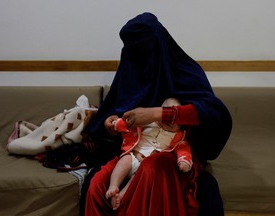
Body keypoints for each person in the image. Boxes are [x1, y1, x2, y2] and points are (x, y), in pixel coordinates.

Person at [83, 12, 232, 216]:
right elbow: (110, 115)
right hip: (130, 151)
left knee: (153, 168)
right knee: (95, 187)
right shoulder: (130, 70)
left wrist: (158, 114)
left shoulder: (183, 70)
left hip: (169, 152)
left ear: (159, 45)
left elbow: (214, 115)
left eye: (145, 50)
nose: (140, 57)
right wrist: (110, 127)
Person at [106, 98, 194, 210]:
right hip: (133, 157)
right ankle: (113, 186)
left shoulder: (178, 136)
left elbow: (183, 150)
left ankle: (121, 196)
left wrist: (184, 161)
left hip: (144, 168)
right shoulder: (149, 122)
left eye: (175, 120)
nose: (171, 122)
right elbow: (129, 124)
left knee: (137, 178)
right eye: (168, 116)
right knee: (124, 160)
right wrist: (117, 124)